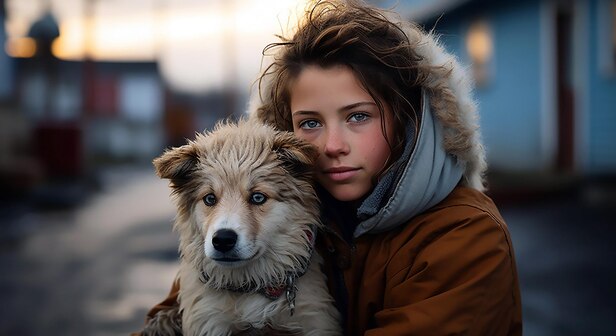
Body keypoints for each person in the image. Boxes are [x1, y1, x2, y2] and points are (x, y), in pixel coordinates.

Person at [136, 0, 522, 334]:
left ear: (409, 121)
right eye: (310, 123)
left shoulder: (464, 236)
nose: (332, 147)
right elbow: (178, 311)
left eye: (358, 117)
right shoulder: (293, 214)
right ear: (285, 128)